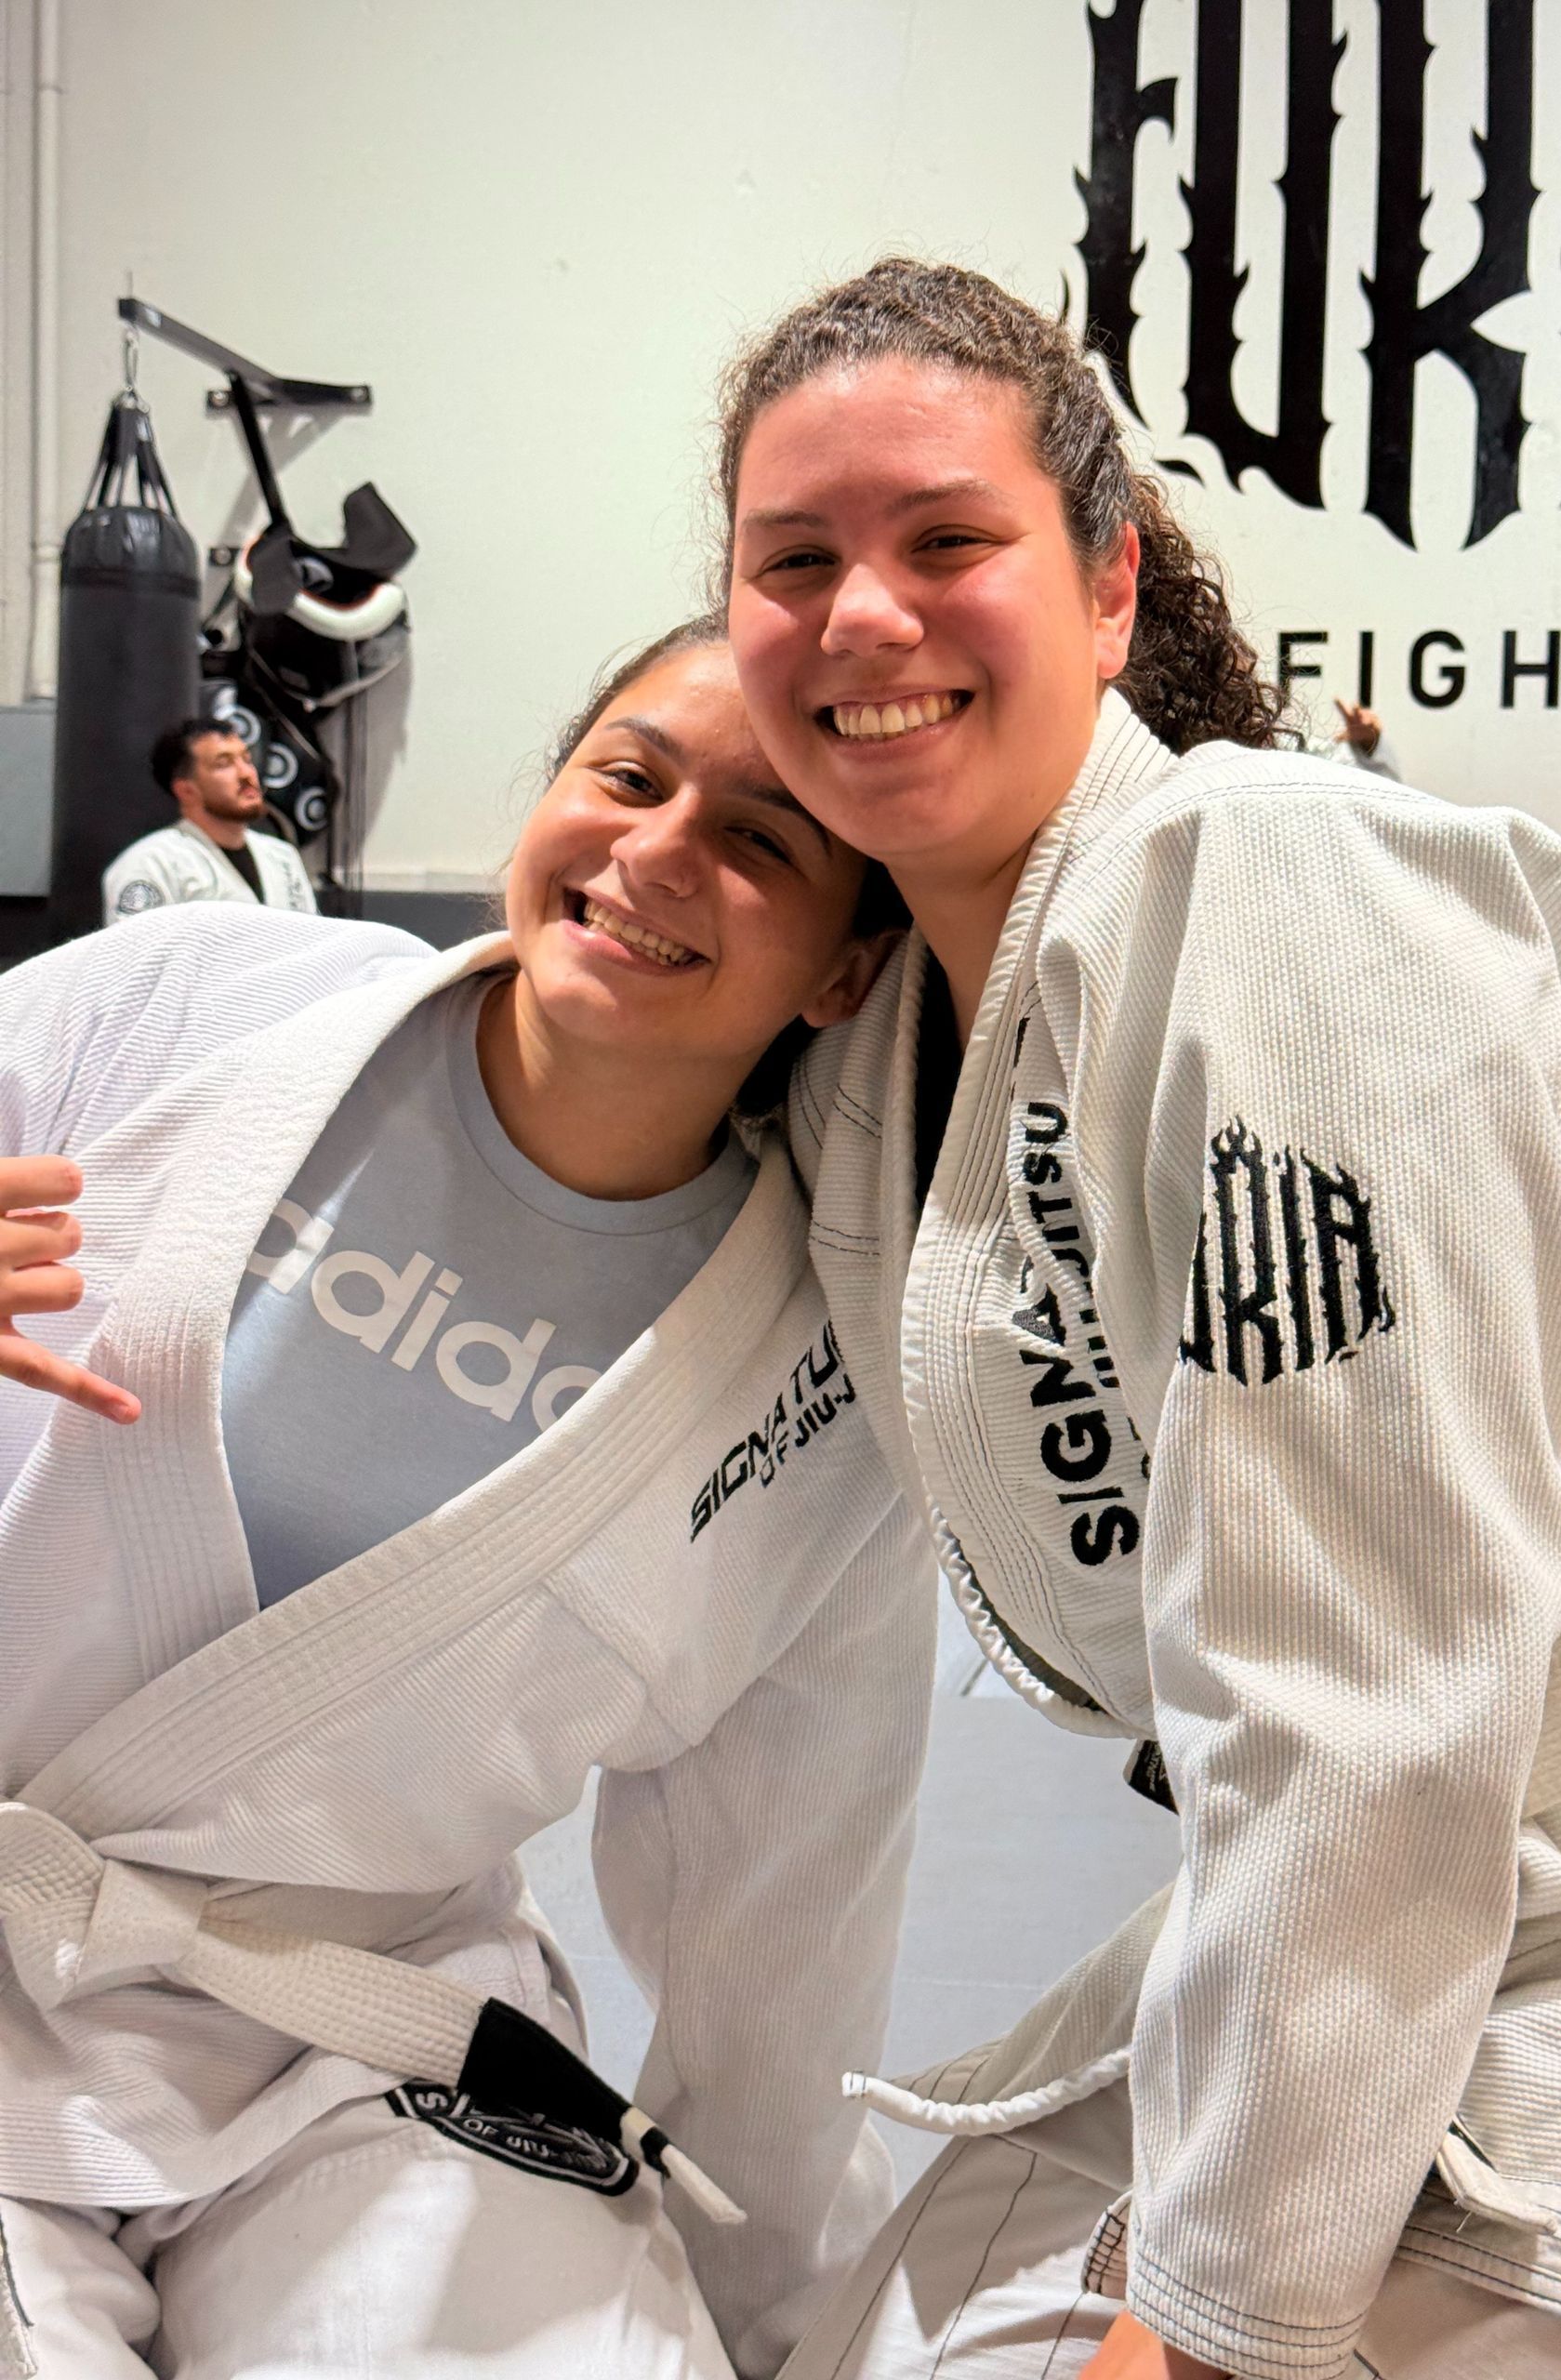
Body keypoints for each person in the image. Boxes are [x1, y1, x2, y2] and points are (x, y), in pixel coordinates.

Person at [716, 259, 1561, 2379]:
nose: (862, 612)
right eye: (793, 559)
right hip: (1475, 1890)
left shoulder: (1272, 879)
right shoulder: (901, 1056)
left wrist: (1218, 2319)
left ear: (1107, 582)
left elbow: (1362, 1669)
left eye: (948, 541)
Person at [0, 617, 933, 2379]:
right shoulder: (184, 1005)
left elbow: (785, 1918)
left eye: (761, 841)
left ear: (846, 969)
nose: (656, 853)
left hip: (353, 2036)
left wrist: (790, 2329)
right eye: (627, 777)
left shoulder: (806, 1405)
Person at [100, 717, 316, 922]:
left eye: (246, 759)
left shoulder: (282, 857)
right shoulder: (150, 864)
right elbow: (138, 954)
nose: (246, 773)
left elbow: (316, 944)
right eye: (224, 764)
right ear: (186, 790)